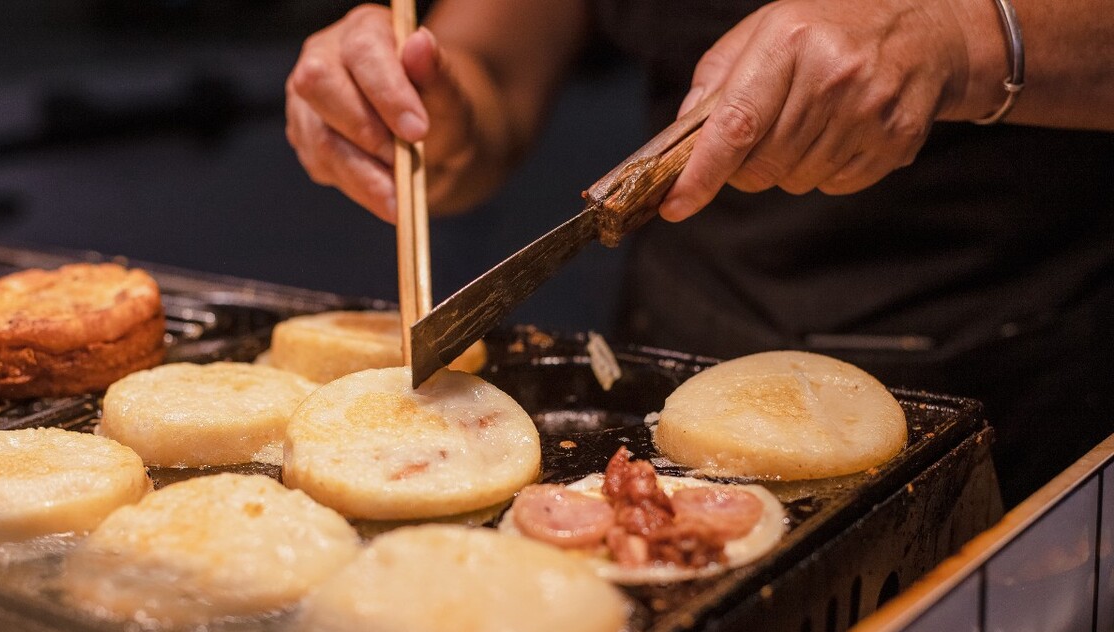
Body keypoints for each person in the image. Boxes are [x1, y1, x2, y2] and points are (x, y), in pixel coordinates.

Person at [283, 0, 1114, 506]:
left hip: (1027, 358)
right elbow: (494, 73)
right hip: (679, 345)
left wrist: (966, 37)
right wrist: (425, 113)